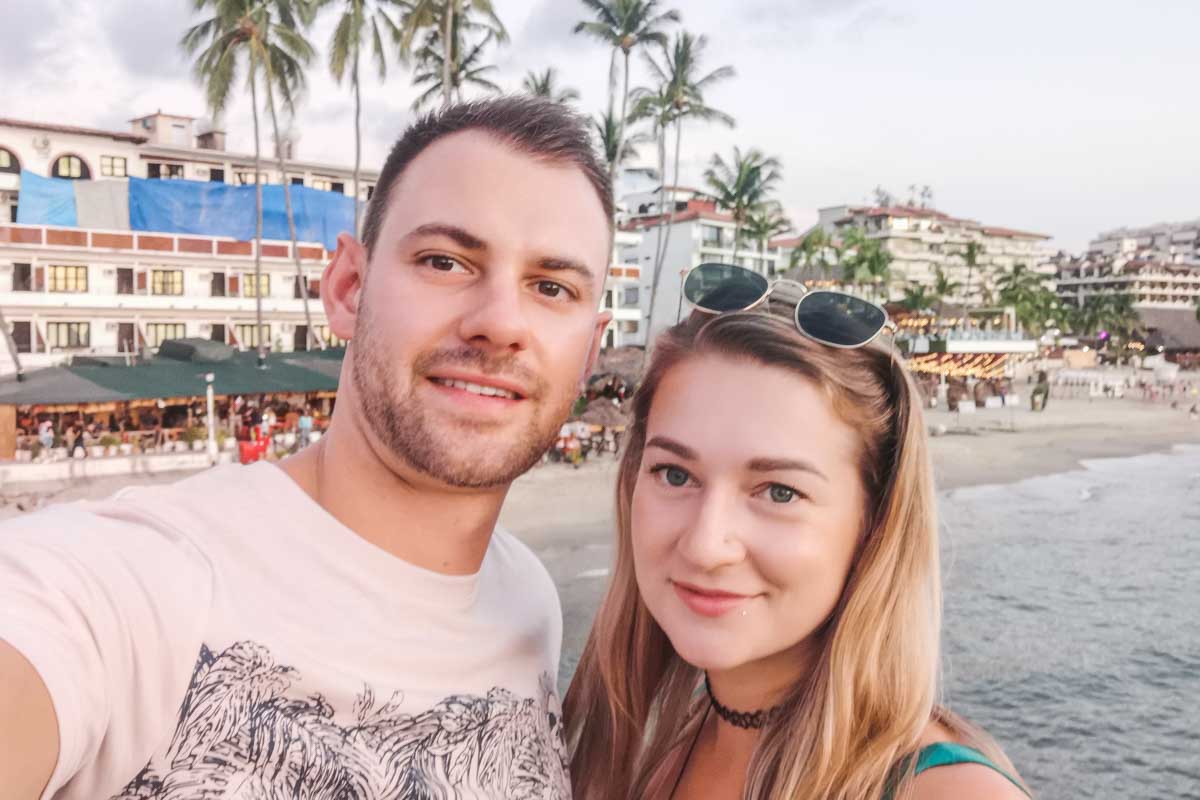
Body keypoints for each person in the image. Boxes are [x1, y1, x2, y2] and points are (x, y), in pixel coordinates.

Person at [0, 95, 612, 800]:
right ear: (349, 288)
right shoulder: (134, 589)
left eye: (551, 286)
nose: (500, 322)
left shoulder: (529, 603)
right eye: (445, 261)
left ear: (590, 351)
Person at [564, 272, 1030, 800]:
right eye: (675, 474)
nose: (704, 544)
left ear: (874, 523)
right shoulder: (662, 750)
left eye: (779, 492)